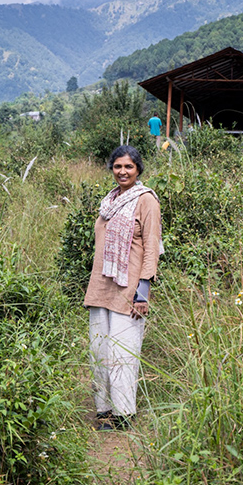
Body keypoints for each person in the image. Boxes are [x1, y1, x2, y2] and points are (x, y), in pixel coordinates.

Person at [85, 144, 160, 431]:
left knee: (123, 353)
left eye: (128, 166)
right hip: (100, 286)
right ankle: (103, 410)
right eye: (117, 166)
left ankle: (124, 414)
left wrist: (143, 292)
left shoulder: (146, 200)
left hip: (129, 288)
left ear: (138, 169)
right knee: (100, 351)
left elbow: (152, 247)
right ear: (111, 169)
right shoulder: (110, 201)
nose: (122, 171)